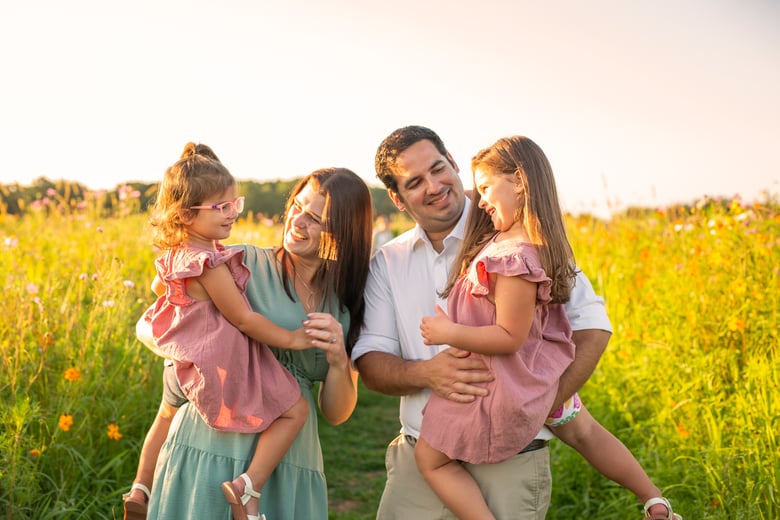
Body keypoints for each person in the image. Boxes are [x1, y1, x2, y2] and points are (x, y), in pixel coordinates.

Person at [351, 125, 612, 519]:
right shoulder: (389, 262)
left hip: (509, 459)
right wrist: (427, 373)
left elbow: (592, 327)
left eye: (439, 168)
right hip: (424, 453)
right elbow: (371, 359)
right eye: (416, 182)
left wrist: (530, 406)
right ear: (397, 198)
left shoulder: (517, 235)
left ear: (453, 162)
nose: (435, 186)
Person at [415, 135, 681, 520]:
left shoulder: (513, 256)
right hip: (536, 377)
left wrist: (448, 333)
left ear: (520, 181)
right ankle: (654, 500)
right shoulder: (526, 244)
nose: (481, 199)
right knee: (585, 431)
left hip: (496, 384)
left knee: (430, 459)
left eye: (487, 187)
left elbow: (510, 336)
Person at [137, 165, 372, 520]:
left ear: (345, 232)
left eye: (315, 218)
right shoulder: (241, 264)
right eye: (297, 205)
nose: (297, 220)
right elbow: (152, 320)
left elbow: (337, 414)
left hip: (290, 460)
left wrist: (339, 361)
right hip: (211, 447)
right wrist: (180, 356)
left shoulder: (346, 302)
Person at [123, 142, 311, 520]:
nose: (231, 215)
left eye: (234, 205)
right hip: (215, 363)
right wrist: (292, 339)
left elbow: (160, 293)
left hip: (180, 362)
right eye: (221, 208)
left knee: (165, 416)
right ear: (187, 214)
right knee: (296, 410)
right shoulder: (208, 263)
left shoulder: (175, 255)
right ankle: (248, 487)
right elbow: (242, 319)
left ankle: (141, 488)